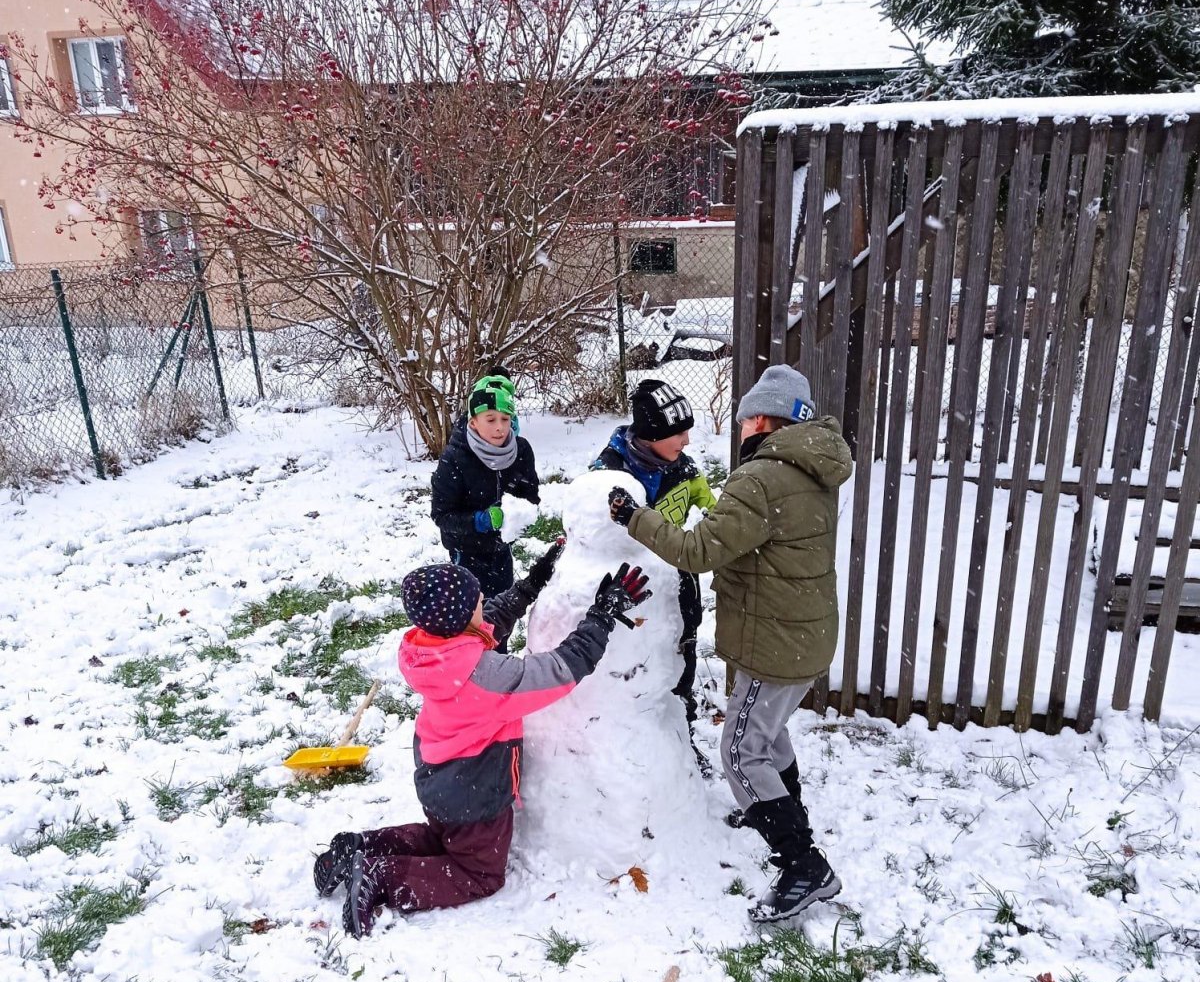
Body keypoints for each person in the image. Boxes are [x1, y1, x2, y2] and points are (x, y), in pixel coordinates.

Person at [608, 363, 852, 924]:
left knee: (741, 751)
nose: (739, 430)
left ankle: (802, 864)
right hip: (805, 634)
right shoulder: (813, 466)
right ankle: (781, 814)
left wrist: (635, 518)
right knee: (770, 732)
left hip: (775, 642)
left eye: (743, 420)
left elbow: (696, 551)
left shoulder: (762, 478)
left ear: (761, 419)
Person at [313, 546, 652, 936]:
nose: (484, 603)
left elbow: (486, 623)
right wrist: (602, 616)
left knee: (442, 839)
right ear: (460, 617)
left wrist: (530, 586)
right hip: (475, 794)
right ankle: (381, 877)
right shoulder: (489, 678)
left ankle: (361, 847)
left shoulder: (429, 648)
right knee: (479, 872)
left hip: (441, 779)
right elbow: (560, 669)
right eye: (477, 600)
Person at [590, 378, 716, 727]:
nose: (687, 441)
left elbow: (712, 509)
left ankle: (681, 729)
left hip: (680, 577)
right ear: (652, 434)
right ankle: (637, 731)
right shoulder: (610, 472)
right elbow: (592, 528)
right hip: (632, 587)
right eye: (679, 433)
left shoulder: (685, 469)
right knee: (639, 661)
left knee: (683, 648)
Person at [430, 368, 540, 647]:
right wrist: (481, 520)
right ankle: (472, 661)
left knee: (502, 614)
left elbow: (531, 495)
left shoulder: (520, 451)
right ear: (473, 421)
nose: (499, 427)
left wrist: (521, 512)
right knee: (473, 618)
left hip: (500, 550)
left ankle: (498, 658)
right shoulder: (455, 458)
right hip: (466, 552)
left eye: (505, 419)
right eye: (490, 419)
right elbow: (442, 515)